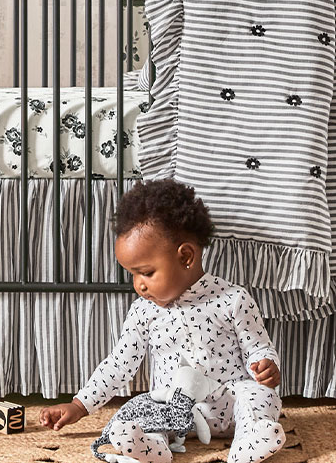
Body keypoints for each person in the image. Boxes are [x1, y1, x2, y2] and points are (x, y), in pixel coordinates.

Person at [39, 178, 286, 463]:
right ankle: (151, 447)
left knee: (260, 395)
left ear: (186, 257)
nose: (138, 285)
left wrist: (267, 365)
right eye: (133, 274)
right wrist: (79, 405)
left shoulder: (233, 299)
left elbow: (259, 347)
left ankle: (250, 439)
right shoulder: (143, 311)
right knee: (144, 407)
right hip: (173, 412)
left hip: (230, 404)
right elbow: (119, 364)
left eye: (146, 272)